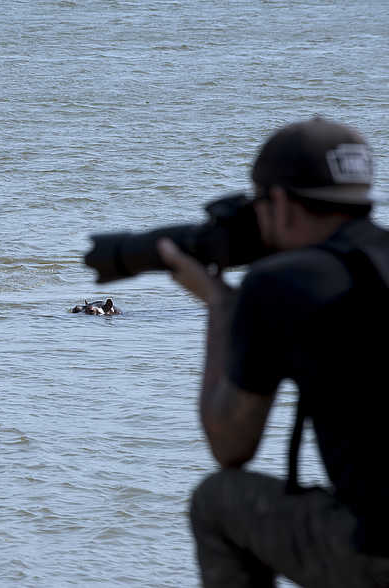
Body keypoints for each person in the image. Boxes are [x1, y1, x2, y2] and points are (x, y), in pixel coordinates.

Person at [156, 117, 389, 587]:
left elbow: (231, 446)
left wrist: (221, 306)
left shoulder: (281, 283)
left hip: (378, 552)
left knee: (216, 500)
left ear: (279, 202)